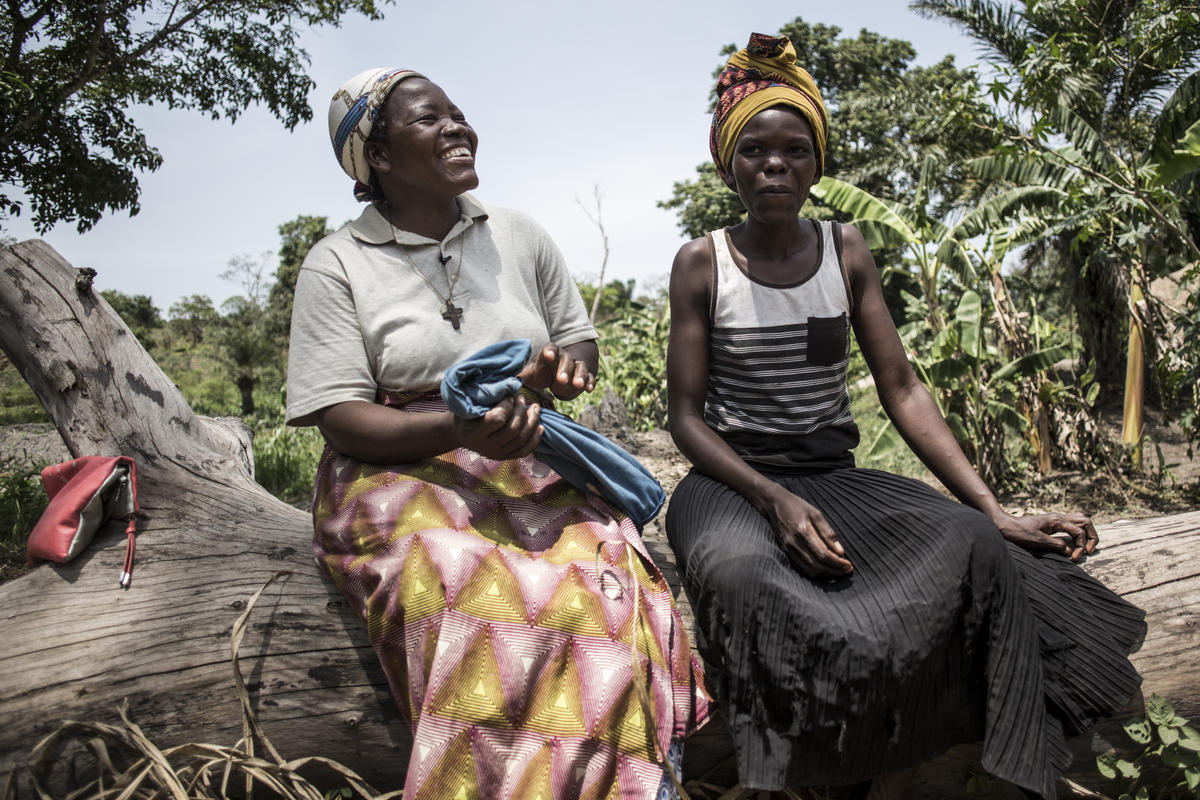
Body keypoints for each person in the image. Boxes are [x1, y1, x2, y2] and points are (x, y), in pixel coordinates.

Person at [664, 34, 1145, 800]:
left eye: (795, 149)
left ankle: (942, 761)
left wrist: (990, 507)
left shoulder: (843, 249)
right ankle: (790, 777)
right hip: (730, 482)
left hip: (833, 476)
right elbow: (685, 418)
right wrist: (773, 498)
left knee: (971, 545)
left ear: (818, 164)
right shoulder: (702, 262)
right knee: (740, 574)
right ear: (730, 164)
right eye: (755, 150)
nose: (776, 165)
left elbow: (903, 389)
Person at [287, 67, 708, 800]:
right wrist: (462, 428)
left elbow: (578, 347)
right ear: (378, 158)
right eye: (429, 120)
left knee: (597, 588)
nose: (457, 127)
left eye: (458, 113)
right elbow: (341, 416)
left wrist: (557, 375)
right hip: (397, 469)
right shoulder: (337, 263)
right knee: (456, 582)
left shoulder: (517, 235)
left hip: (525, 452)